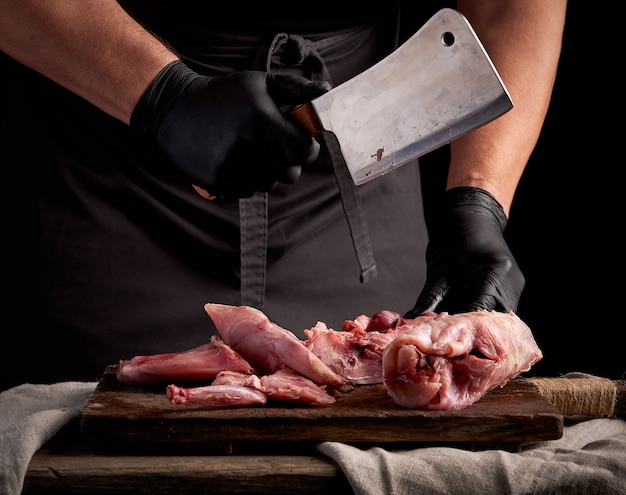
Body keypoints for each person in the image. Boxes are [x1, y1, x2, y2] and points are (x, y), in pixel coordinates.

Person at [0, 1, 567, 390]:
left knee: (385, 411)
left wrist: (479, 198)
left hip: (357, 168)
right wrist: (164, 98)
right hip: (113, 172)